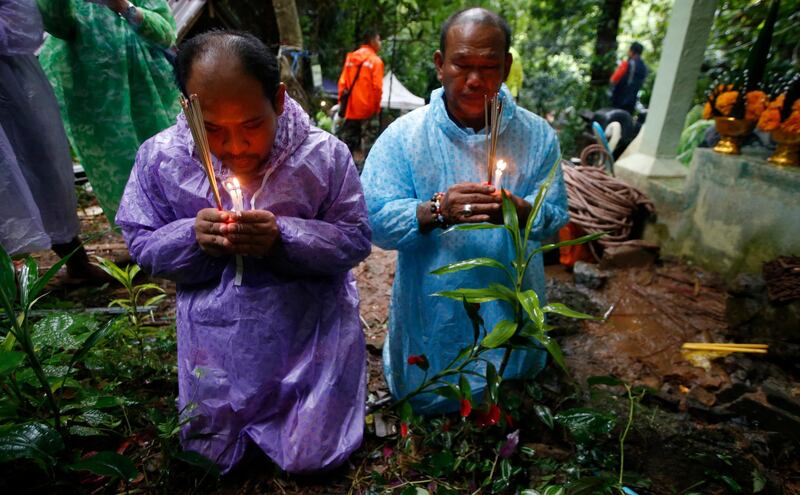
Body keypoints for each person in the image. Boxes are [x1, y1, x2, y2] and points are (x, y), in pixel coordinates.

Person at [116, 31, 371, 474]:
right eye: (213, 130)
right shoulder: (161, 158)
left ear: (277, 99)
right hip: (214, 347)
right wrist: (189, 237)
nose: (235, 148)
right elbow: (141, 242)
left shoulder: (324, 156)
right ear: (188, 109)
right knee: (207, 460)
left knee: (312, 458)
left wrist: (286, 236)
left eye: (252, 125)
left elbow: (354, 239)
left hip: (308, 339)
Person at [361, 8, 568, 413]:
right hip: (431, 307)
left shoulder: (536, 137)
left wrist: (519, 211)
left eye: (488, 66)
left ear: (506, 67)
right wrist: (436, 209)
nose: (475, 80)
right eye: (462, 65)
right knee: (431, 394)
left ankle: (508, 387)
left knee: (506, 398)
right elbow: (373, 221)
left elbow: (556, 217)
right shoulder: (405, 137)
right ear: (440, 65)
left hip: (509, 301)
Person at [36, 0, 181, 224]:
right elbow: (58, 25)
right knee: (123, 176)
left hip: (152, 93)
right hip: (96, 100)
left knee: (169, 162)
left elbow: (166, 34)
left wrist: (124, 7)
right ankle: (144, 241)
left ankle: (189, 230)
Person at [0, 0, 108, 281]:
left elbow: (21, 20)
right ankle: (7, 280)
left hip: (12, 86)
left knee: (40, 163)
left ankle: (76, 261)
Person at [336, 28, 384, 171]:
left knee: (348, 144)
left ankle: (344, 172)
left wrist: (342, 105)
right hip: (368, 110)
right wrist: (376, 108)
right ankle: (366, 173)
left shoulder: (351, 58)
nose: (380, 43)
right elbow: (377, 88)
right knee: (369, 146)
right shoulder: (375, 61)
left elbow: (342, 84)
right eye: (379, 39)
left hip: (351, 109)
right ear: (373, 40)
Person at [610, 41, 648, 114]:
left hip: (619, 100)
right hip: (632, 102)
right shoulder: (644, 67)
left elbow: (613, 80)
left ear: (632, 51)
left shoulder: (626, 64)